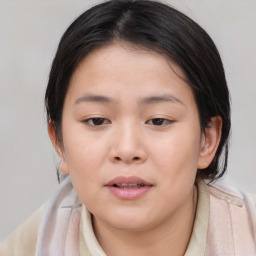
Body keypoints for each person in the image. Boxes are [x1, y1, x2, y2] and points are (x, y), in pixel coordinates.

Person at [1, 0, 256, 255]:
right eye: (97, 120)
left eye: (158, 120)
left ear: (207, 139)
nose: (127, 149)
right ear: (59, 142)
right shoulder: (32, 245)